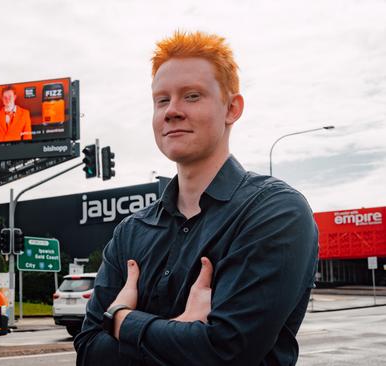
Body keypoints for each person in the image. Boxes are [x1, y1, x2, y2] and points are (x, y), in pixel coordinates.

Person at [74, 30, 318, 365]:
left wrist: (121, 319)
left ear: (232, 108)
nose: (172, 111)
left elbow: (225, 353)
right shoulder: (130, 231)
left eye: (191, 96)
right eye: (162, 100)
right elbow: (88, 351)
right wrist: (180, 334)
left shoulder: (274, 212)